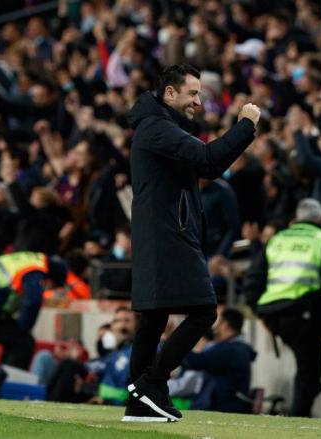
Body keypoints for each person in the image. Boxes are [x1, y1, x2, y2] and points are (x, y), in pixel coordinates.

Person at [124, 64, 260, 423]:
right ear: (170, 93)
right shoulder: (157, 128)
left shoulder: (155, 127)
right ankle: (151, 384)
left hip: (162, 234)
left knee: (153, 319)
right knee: (204, 311)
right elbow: (209, 162)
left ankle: (140, 401)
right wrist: (246, 125)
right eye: (192, 93)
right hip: (169, 236)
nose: (198, 102)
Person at [244, 198, 321, 417]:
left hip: (275, 314)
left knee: (307, 371)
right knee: (309, 374)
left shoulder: (277, 239)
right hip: (303, 313)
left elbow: (253, 278)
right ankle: (297, 419)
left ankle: (299, 414)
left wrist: (261, 312)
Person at [0, 251, 77, 369]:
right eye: (50, 285)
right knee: (23, 343)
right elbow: (32, 301)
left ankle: (1, 378)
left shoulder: (31, 258)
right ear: (51, 277)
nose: (46, 287)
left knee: (16, 340)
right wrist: (23, 328)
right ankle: (8, 384)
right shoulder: (35, 269)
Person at [181, 308, 257, 414]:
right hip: (227, 405)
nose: (214, 328)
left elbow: (194, 362)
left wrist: (177, 341)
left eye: (217, 322)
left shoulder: (230, 350)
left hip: (224, 407)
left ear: (225, 324)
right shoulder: (237, 348)